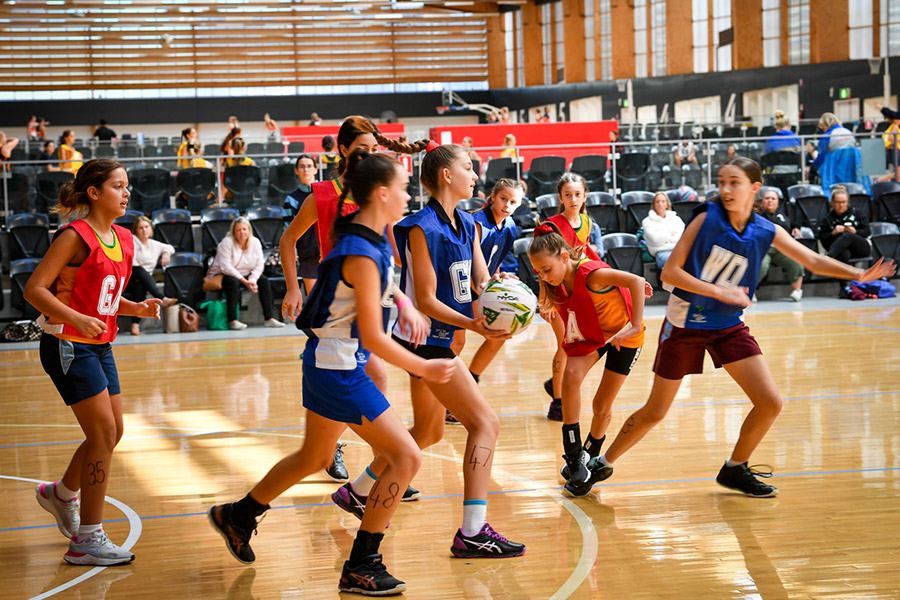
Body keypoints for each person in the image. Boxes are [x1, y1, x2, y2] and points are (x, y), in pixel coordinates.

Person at [209, 151, 454, 596]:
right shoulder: (361, 249)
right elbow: (378, 340)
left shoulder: (371, 236)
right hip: (339, 368)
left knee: (314, 458)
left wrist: (401, 301)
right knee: (407, 457)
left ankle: (239, 515)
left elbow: (382, 285)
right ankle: (363, 564)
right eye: (402, 187)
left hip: (328, 361)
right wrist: (425, 367)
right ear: (382, 193)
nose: (407, 194)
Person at [586, 157, 896, 497]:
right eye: (722, 182)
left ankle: (735, 468)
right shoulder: (706, 218)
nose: (726, 189)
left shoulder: (766, 229)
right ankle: (603, 462)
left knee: (770, 402)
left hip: (729, 324)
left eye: (734, 182)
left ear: (754, 188)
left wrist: (858, 274)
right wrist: (721, 291)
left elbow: (812, 260)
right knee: (656, 411)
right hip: (686, 321)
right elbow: (669, 273)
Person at [332, 142, 526, 560]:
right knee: (485, 424)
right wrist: (476, 324)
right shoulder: (421, 227)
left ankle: (359, 489)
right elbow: (425, 299)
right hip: (426, 343)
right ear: (446, 175)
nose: (476, 176)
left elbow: (482, 285)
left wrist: (517, 304)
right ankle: (473, 531)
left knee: (430, 432)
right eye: (468, 167)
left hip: (442, 339)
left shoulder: (470, 226)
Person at [25, 158, 164, 566]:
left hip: (99, 344)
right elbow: (35, 289)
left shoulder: (124, 237)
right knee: (103, 434)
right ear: (94, 192)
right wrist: (74, 318)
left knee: (113, 431)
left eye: (127, 187)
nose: (126, 193)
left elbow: (103, 296)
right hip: (67, 343)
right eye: (118, 186)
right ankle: (88, 538)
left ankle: (60, 494)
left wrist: (135, 308)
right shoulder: (73, 236)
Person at [280, 116, 418, 482]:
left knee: (366, 384)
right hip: (336, 307)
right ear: (342, 150)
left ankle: (375, 467)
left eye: (375, 150)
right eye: (362, 150)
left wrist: (403, 302)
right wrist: (293, 287)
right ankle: (383, 468)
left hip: (368, 302)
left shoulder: (378, 194)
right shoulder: (322, 194)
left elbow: (387, 262)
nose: (370, 157)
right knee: (371, 379)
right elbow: (287, 240)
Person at [528, 222, 649, 496]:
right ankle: (573, 455)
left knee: (601, 404)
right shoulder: (556, 284)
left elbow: (637, 281)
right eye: (538, 272)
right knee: (570, 378)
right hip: (594, 334)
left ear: (564, 257)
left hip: (623, 335)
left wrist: (635, 323)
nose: (544, 277)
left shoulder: (591, 274)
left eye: (546, 270)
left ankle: (591, 455)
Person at [445, 178, 523, 424]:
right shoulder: (475, 222)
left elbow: (493, 259)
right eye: (503, 199)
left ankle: (470, 382)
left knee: (499, 333)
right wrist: (487, 288)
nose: (507, 205)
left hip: (481, 286)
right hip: (455, 284)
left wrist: (498, 277)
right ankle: (448, 398)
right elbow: (466, 262)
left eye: (513, 202)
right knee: (457, 342)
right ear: (492, 196)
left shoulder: (509, 227)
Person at [542, 172, 603, 421]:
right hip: (557, 292)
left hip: (577, 292)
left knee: (581, 346)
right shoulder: (551, 225)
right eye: (568, 194)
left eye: (577, 194)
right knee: (564, 346)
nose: (573, 198)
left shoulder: (587, 222)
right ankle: (557, 403)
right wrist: (544, 297)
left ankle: (555, 383)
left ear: (585, 196)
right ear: (560, 197)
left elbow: (588, 256)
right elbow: (541, 263)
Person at [206, 217, 284, 330]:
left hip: (246, 275)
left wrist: (252, 280)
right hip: (223, 275)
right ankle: (233, 321)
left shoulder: (255, 242)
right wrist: (245, 281)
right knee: (233, 282)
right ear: (233, 232)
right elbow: (225, 267)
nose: (242, 232)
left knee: (263, 280)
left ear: (249, 230)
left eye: (244, 229)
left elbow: (259, 264)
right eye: (238, 230)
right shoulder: (226, 243)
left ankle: (269, 319)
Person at [124, 216, 177, 335]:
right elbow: (131, 263)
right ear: (136, 230)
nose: (144, 230)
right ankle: (161, 298)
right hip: (128, 279)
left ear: (151, 228)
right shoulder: (132, 241)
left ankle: (135, 326)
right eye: (140, 228)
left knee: (140, 285)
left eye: (146, 227)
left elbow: (170, 247)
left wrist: (166, 253)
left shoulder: (154, 244)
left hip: (142, 282)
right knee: (139, 270)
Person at [756, 189, 804, 301]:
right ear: (762, 201)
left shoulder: (781, 216)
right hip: (764, 249)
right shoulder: (757, 215)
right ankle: (750, 291)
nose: (770, 201)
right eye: (767, 198)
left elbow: (792, 223)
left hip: (781, 248)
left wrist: (796, 228)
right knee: (761, 266)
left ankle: (797, 291)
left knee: (796, 262)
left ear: (778, 203)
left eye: (773, 199)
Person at [283, 154, 319, 295]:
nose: (306, 170)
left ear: (316, 169)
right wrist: (294, 249)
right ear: (297, 171)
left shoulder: (325, 192)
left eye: (309, 166)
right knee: (314, 299)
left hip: (327, 252)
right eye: (302, 167)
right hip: (307, 252)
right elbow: (287, 227)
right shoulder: (291, 198)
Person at [817, 185, 871, 264]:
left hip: (860, 247)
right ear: (832, 202)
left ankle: (828, 258)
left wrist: (855, 232)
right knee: (844, 254)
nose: (841, 205)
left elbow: (867, 232)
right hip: (839, 250)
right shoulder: (827, 218)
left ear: (847, 202)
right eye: (838, 202)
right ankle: (844, 276)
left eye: (843, 202)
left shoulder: (857, 213)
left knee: (848, 236)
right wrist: (833, 233)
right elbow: (822, 238)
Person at [811, 112, 860, 190]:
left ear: (826, 124)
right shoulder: (848, 132)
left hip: (835, 170)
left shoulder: (827, 135)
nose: (824, 130)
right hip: (851, 169)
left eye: (823, 128)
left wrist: (814, 164)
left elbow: (821, 156)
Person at [641, 191, 685, 270]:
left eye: (663, 201)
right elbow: (655, 240)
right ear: (654, 204)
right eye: (657, 202)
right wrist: (670, 235)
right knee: (674, 263)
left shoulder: (676, 219)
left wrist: (662, 235)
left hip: (678, 251)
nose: (660, 204)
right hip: (662, 253)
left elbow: (682, 236)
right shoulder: (647, 221)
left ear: (667, 204)